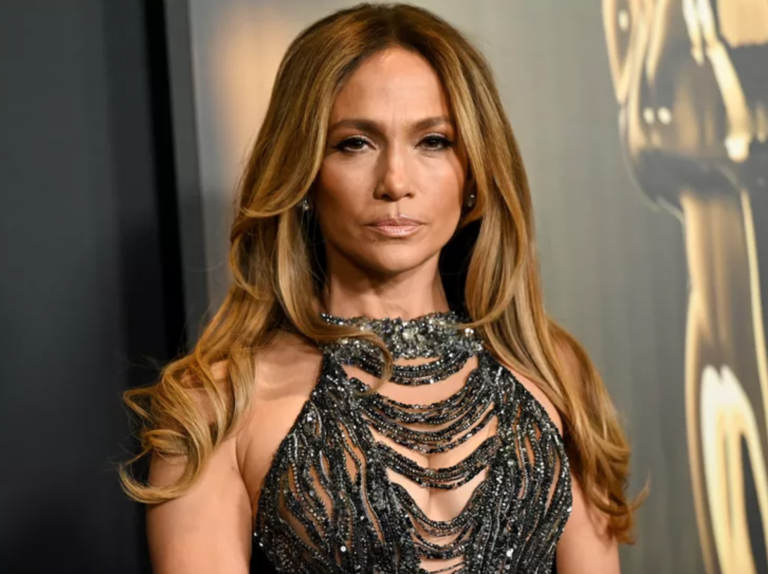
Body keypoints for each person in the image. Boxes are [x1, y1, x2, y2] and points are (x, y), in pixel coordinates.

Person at [119, 3, 644, 573]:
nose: (395, 182)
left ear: (474, 172)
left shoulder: (552, 374)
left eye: (433, 141)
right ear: (304, 174)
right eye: (355, 143)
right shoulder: (219, 408)